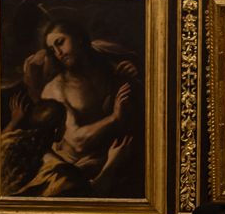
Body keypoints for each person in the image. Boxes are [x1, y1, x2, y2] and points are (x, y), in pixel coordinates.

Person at [21, 18, 141, 195]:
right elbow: (77, 142)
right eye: (52, 49)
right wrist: (114, 118)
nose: (58, 53)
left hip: (115, 158)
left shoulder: (108, 69)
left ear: (78, 38)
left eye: (60, 43)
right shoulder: (55, 90)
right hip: (75, 174)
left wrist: (133, 75)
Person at [0, 91, 132, 197]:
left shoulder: (10, 143)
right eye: (64, 124)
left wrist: (14, 121)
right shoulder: (62, 175)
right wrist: (112, 162)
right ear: (58, 131)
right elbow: (91, 196)